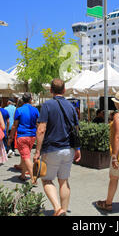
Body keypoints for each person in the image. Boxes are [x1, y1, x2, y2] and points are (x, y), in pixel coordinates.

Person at [34, 78, 81, 216]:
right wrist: (78, 149)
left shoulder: (47, 105)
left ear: (50, 90)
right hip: (69, 149)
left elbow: (41, 129)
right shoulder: (71, 106)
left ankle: (57, 208)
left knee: (47, 179)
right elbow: (76, 129)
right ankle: (64, 210)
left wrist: (37, 151)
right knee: (64, 181)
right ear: (64, 90)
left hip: (52, 149)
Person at [8, 93, 39, 182]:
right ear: (30, 99)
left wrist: (11, 137)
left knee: (25, 157)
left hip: (22, 136)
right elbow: (38, 124)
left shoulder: (19, 110)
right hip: (32, 136)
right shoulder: (35, 110)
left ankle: (33, 177)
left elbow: (14, 126)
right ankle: (23, 175)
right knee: (27, 155)